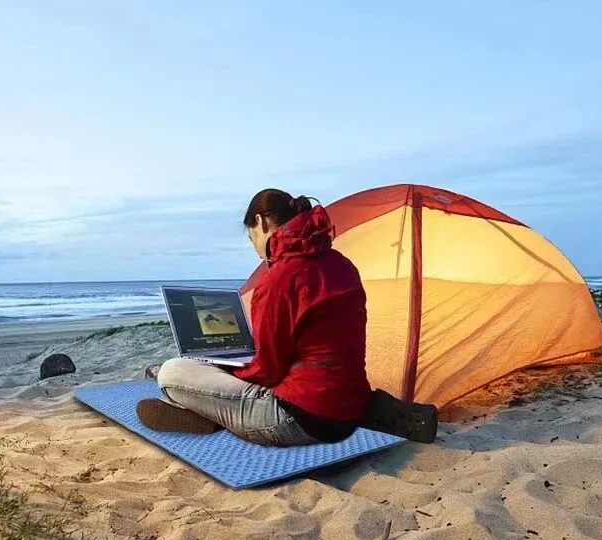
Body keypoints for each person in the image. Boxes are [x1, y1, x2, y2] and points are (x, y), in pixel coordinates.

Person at [136, 189, 437, 445]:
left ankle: (208, 413)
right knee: (213, 371)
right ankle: (209, 404)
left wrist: (229, 372)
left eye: (251, 236)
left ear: (261, 221)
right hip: (349, 411)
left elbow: (267, 372)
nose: (254, 246)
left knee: (172, 371)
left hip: (297, 420)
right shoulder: (342, 264)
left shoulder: (280, 277)